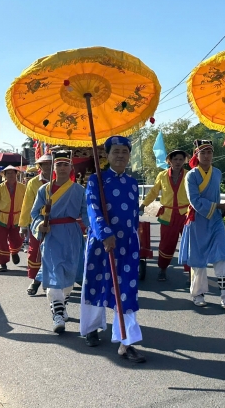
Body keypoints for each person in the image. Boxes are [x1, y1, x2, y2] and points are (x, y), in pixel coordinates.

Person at [80, 136, 146, 363]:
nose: (120, 155)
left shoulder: (132, 182)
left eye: (124, 152)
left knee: (126, 289)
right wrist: (105, 234)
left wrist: (136, 237)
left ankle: (126, 341)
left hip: (127, 245)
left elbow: (134, 215)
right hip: (102, 243)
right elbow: (93, 208)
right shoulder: (96, 180)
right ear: (106, 155)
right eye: (115, 151)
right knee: (96, 285)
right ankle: (91, 327)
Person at [30, 151, 88, 333]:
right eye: (59, 165)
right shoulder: (44, 190)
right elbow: (34, 214)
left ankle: (60, 306)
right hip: (52, 235)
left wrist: (95, 231)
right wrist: (39, 225)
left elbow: (86, 214)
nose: (62, 168)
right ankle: (57, 315)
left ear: (71, 168)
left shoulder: (79, 190)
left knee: (69, 275)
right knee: (54, 274)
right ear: (53, 168)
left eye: (65, 165)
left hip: (72, 235)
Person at [179, 140, 225, 310]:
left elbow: (216, 195)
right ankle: (198, 294)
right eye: (202, 153)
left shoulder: (217, 172)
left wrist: (222, 208)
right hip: (198, 221)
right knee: (198, 260)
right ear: (196, 155)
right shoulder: (191, 175)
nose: (207, 156)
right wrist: (219, 206)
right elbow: (195, 200)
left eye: (209, 152)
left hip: (215, 220)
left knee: (222, 256)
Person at [139, 149, 189, 281]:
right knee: (166, 244)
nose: (178, 162)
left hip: (186, 214)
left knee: (189, 244)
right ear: (170, 161)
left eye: (180, 159)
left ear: (184, 161)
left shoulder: (189, 175)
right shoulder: (162, 175)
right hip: (167, 215)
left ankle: (191, 273)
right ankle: (162, 269)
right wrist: (143, 205)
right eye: (175, 159)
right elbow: (154, 192)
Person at [19, 154, 53, 295]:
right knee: (35, 253)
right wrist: (24, 225)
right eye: (44, 164)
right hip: (38, 222)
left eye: (49, 164)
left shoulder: (62, 181)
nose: (47, 167)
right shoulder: (33, 183)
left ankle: (47, 282)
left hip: (57, 223)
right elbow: (27, 205)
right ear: (40, 166)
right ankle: (35, 280)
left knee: (54, 254)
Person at [0, 165, 26, 272]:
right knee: (0, 242)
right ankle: (3, 263)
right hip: (1, 219)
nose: (10, 175)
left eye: (12, 173)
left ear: (16, 174)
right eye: (8, 173)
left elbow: (26, 203)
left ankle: (14, 252)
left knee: (18, 240)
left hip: (17, 218)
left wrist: (27, 217)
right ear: (4, 175)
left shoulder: (23, 187)